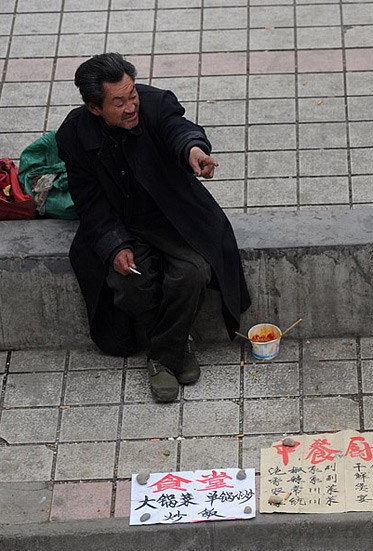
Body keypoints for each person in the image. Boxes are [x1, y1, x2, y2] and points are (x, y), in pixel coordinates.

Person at [57, 53, 251, 402]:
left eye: (132, 95)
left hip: (173, 216)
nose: (131, 106)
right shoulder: (74, 134)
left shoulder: (155, 103)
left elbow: (179, 130)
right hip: (120, 223)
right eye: (119, 102)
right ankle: (178, 348)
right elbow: (89, 200)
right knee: (129, 281)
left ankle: (163, 357)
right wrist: (114, 244)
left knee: (193, 272)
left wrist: (193, 151)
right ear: (95, 108)